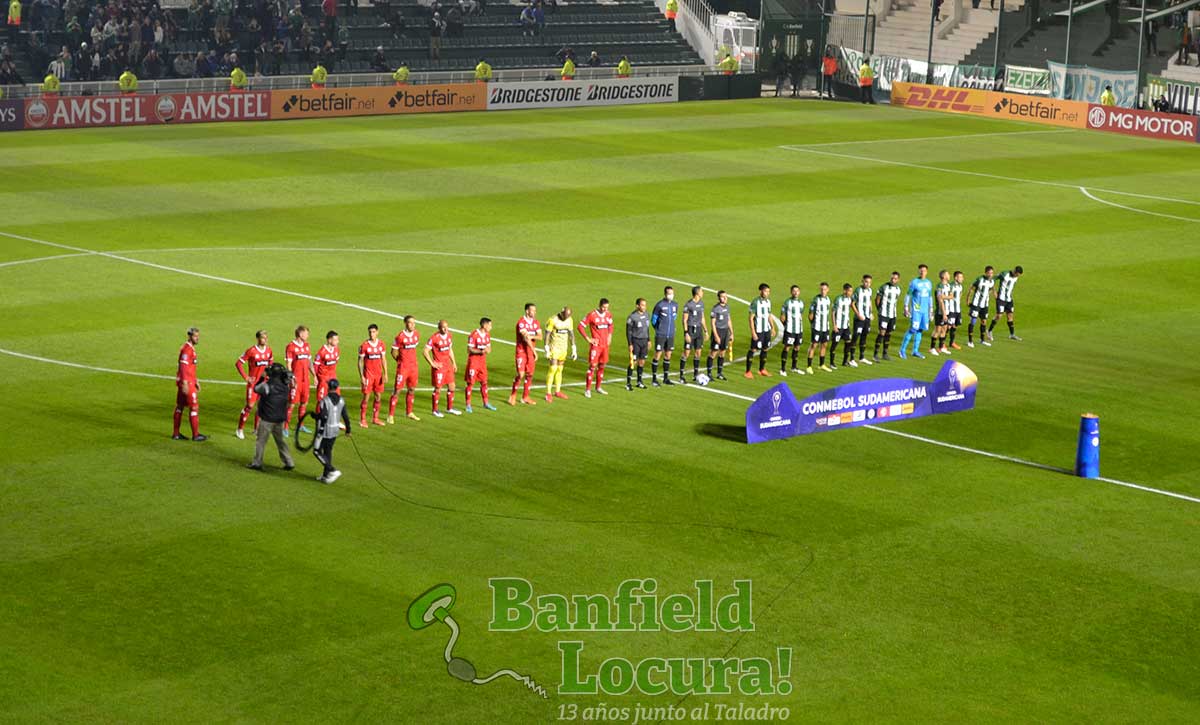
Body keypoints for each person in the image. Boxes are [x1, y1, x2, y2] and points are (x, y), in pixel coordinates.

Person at [248, 363, 296, 471]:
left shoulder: (267, 386)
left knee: (261, 441)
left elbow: (256, 388)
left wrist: (262, 377)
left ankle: (257, 463)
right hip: (280, 419)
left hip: (267, 419)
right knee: (281, 441)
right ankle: (289, 462)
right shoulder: (285, 386)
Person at [235, 330, 274, 439]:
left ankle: (257, 429)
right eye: (263, 338)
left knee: (261, 407)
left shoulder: (269, 351)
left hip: (263, 384)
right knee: (250, 406)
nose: (265, 340)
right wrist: (246, 377)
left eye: (266, 337)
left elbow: (270, 364)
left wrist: (269, 375)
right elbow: (238, 363)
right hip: (253, 385)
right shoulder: (251, 351)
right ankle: (239, 429)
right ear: (258, 339)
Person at [313, 378, 351, 484]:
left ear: (328, 387)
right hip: (335, 431)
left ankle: (332, 470)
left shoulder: (324, 400)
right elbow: (345, 416)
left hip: (325, 430)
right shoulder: (342, 400)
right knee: (328, 451)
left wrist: (316, 418)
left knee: (317, 451)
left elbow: (323, 416)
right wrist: (348, 430)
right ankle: (326, 475)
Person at [172, 327, 207, 441]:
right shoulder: (187, 350)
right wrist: (186, 383)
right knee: (194, 408)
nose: (197, 338)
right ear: (189, 336)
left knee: (180, 407)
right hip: (187, 383)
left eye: (198, 336)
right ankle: (196, 435)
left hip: (188, 381)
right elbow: (183, 367)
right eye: (195, 336)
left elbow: (190, 368)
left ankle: (176, 434)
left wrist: (195, 380)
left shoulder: (190, 348)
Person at [424, 319, 461, 417]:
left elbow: (450, 350)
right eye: (443, 327)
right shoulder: (434, 338)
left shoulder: (449, 335)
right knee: (438, 389)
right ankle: (434, 410)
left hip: (448, 365)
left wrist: (454, 363)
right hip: (439, 367)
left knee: (452, 386)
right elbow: (425, 351)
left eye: (446, 327)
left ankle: (449, 408)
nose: (445, 329)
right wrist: (432, 363)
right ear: (439, 328)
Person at [388, 316, 422, 422]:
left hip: (413, 367)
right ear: (405, 324)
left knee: (412, 389)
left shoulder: (416, 334)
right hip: (403, 368)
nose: (412, 325)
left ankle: (409, 412)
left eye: (413, 323)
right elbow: (393, 351)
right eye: (410, 323)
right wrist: (400, 361)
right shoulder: (400, 337)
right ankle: (390, 415)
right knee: (397, 390)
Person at [578, 298, 614, 397]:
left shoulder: (608, 314)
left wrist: (610, 336)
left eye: (606, 307)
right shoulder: (592, 315)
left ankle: (598, 387)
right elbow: (580, 326)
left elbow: (611, 325)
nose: (605, 309)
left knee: (602, 366)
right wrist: (588, 338)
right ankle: (588, 390)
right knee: (592, 366)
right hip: (596, 346)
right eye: (603, 307)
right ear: (599, 305)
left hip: (605, 346)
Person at [509, 302, 543, 405]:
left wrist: (531, 336)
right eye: (533, 310)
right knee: (521, 374)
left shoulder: (536, 323)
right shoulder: (521, 322)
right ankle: (513, 395)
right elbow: (525, 338)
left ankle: (525, 397)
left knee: (530, 374)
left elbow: (540, 336)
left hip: (530, 352)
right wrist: (534, 351)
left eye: (535, 310)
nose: (534, 312)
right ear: (527, 311)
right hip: (521, 351)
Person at [284, 326, 314, 438]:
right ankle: (285, 427)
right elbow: (288, 364)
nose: (307, 336)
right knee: (291, 403)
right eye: (306, 333)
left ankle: (301, 425)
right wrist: (291, 378)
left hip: (305, 379)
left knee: (304, 402)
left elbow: (309, 361)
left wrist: (314, 375)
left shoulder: (307, 346)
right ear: (300, 334)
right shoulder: (290, 347)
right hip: (296, 380)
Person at [899, 264, 932, 359]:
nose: (922, 272)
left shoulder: (929, 283)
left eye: (924, 270)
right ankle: (902, 350)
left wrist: (931, 309)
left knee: (920, 330)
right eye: (921, 270)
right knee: (913, 329)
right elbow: (908, 295)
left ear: (927, 272)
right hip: (916, 310)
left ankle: (915, 351)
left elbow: (929, 297)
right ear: (918, 271)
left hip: (925, 311)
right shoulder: (914, 282)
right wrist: (906, 307)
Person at [357, 324, 388, 428]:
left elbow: (383, 359)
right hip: (368, 376)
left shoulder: (381, 344)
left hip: (378, 375)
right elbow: (360, 362)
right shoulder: (364, 346)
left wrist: (385, 373)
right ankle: (362, 419)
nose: (371, 334)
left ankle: (375, 418)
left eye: (373, 332)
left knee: (378, 396)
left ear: (377, 332)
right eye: (370, 332)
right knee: (366, 397)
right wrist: (362, 376)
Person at [543, 306, 576, 402]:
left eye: (568, 316)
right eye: (565, 316)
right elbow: (547, 334)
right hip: (554, 348)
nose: (566, 318)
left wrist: (574, 348)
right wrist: (546, 349)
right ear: (562, 312)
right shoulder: (552, 320)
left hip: (563, 348)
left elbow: (571, 334)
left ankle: (557, 391)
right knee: (553, 368)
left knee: (560, 369)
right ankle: (548, 393)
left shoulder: (569, 320)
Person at [464, 317, 496, 412]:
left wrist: (487, 350)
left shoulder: (487, 335)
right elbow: (469, 349)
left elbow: (489, 348)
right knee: (470, 383)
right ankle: (468, 405)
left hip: (482, 363)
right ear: (484, 325)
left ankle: (486, 403)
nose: (491, 327)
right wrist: (481, 351)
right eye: (490, 325)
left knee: (484, 382)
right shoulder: (474, 335)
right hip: (473, 362)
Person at [744, 283, 774, 378]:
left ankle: (762, 369)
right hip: (758, 330)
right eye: (766, 291)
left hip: (766, 330)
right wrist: (753, 332)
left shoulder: (768, 302)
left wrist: (772, 328)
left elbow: (769, 315)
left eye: (768, 291)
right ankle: (748, 371)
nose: (767, 293)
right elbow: (751, 318)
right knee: (753, 349)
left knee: (765, 348)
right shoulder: (755, 302)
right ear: (761, 291)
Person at [650, 286, 677, 386]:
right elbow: (653, 320)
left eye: (672, 293)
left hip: (670, 334)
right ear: (665, 294)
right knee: (658, 354)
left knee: (668, 355)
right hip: (661, 334)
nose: (671, 295)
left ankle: (666, 378)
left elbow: (674, 317)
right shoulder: (659, 305)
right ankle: (654, 378)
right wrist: (659, 328)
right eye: (669, 293)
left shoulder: (675, 305)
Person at [873, 271, 902, 361]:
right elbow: (877, 299)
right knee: (882, 332)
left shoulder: (898, 289)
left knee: (888, 333)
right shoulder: (884, 287)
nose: (893, 280)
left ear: (898, 280)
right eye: (892, 278)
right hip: (884, 314)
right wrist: (880, 310)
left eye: (895, 279)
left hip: (892, 315)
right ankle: (875, 354)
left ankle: (885, 353)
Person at [989, 266, 1023, 341]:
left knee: (1010, 316)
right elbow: (993, 279)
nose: (1017, 276)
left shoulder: (1016, 278)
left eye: (1018, 275)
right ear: (1014, 271)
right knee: (999, 316)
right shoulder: (1004, 274)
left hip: (1009, 299)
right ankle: (989, 331)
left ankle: (1012, 334)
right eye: (1017, 274)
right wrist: (994, 291)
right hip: (1001, 299)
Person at [679, 286, 705, 383]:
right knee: (687, 352)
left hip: (698, 330)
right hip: (690, 329)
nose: (703, 293)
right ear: (697, 293)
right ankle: (681, 375)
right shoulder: (688, 304)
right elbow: (684, 320)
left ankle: (695, 374)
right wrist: (686, 333)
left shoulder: (701, 303)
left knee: (698, 353)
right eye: (702, 291)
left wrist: (705, 330)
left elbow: (702, 318)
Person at [706, 290, 733, 381]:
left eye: (726, 296)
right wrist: (716, 335)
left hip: (725, 332)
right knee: (713, 353)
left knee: (722, 353)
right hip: (717, 331)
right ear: (719, 298)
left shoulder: (727, 307)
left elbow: (728, 320)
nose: (725, 298)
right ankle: (709, 374)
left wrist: (731, 333)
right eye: (723, 296)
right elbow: (712, 323)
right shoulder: (715, 308)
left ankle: (719, 373)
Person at [778, 284, 805, 376]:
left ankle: (794, 367)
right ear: (791, 292)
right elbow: (782, 317)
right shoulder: (787, 302)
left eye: (797, 291)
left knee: (797, 347)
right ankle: (782, 369)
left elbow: (801, 315)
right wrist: (786, 326)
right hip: (790, 330)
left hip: (799, 329)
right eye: (794, 291)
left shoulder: (801, 303)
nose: (796, 292)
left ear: (799, 292)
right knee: (787, 347)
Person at [966, 265, 996, 348]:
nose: (990, 274)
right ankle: (970, 341)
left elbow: (991, 288)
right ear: (985, 273)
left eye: (992, 273)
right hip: (976, 304)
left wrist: (989, 295)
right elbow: (971, 288)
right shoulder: (980, 279)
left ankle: (982, 340)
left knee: (984, 322)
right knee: (973, 321)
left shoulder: (992, 281)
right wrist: (968, 300)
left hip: (985, 305)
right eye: (989, 273)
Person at [806, 282, 833, 373]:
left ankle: (821, 364)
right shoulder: (816, 300)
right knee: (814, 345)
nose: (823, 291)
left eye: (825, 289)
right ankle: (809, 366)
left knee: (824, 345)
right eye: (821, 289)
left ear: (828, 290)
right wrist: (813, 325)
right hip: (817, 327)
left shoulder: (828, 299)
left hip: (825, 327)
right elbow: (810, 314)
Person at [626, 298, 651, 390]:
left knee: (642, 362)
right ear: (637, 306)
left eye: (645, 305)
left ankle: (639, 381)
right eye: (642, 305)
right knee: (633, 362)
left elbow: (647, 329)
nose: (644, 307)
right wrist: (630, 344)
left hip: (644, 341)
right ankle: (628, 383)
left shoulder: (647, 315)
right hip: (635, 341)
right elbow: (628, 331)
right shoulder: (632, 317)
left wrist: (649, 340)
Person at [851, 274, 875, 366]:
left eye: (869, 282)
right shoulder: (858, 290)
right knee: (856, 336)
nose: (867, 284)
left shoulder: (869, 290)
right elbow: (852, 303)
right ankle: (851, 359)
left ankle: (862, 357)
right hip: (859, 319)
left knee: (864, 336)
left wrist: (871, 312)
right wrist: (858, 314)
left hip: (867, 318)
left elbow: (869, 301)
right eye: (866, 282)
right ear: (862, 281)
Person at [831, 283, 855, 369]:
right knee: (834, 344)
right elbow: (833, 312)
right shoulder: (838, 299)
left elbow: (852, 305)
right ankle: (832, 363)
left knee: (848, 343)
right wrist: (834, 325)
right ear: (845, 291)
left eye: (851, 291)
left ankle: (845, 361)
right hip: (838, 326)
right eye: (849, 291)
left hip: (846, 326)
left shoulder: (850, 299)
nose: (851, 293)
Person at [314, 330, 341, 403]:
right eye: (335, 340)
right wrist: (316, 377)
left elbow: (336, 362)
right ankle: (320, 414)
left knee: (336, 398)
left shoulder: (337, 350)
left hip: (333, 377)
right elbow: (316, 365)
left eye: (337, 339)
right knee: (321, 400)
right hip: (323, 378)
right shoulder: (322, 351)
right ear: (329, 340)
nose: (337, 341)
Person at [931, 270, 953, 356]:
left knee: (945, 328)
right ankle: (932, 348)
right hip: (940, 312)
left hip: (948, 311)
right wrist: (944, 313)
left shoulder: (949, 285)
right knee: (937, 330)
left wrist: (944, 297)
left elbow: (952, 296)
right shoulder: (939, 287)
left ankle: (941, 347)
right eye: (948, 274)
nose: (949, 275)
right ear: (944, 276)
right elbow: (940, 300)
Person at [946, 270, 964, 350]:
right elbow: (948, 296)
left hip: (957, 310)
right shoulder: (951, 286)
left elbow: (960, 295)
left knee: (955, 326)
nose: (962, 279)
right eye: (961, 277)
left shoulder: (960, 286)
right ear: (956, 277)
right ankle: (942, 344)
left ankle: (952, 342)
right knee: (948, 326)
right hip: (951, 310)